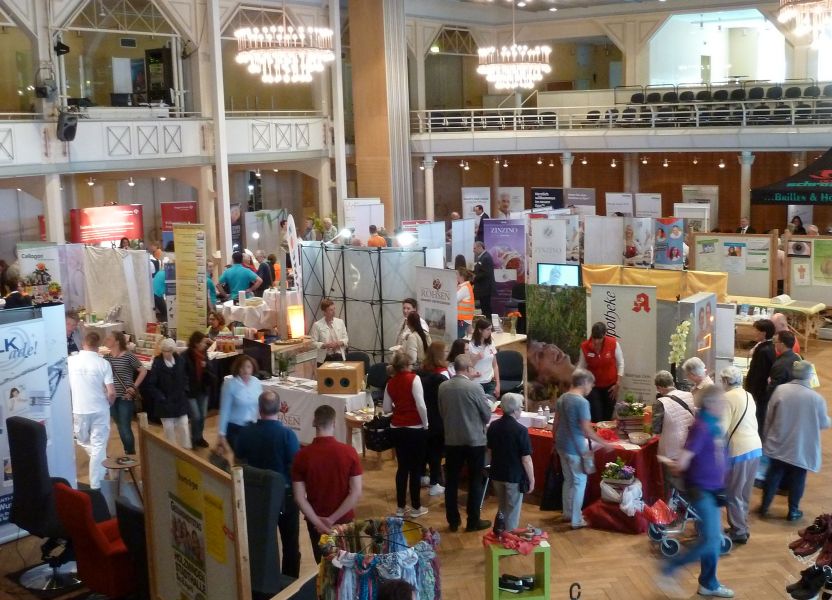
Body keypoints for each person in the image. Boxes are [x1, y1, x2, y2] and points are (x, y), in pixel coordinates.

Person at [659, 385, 733, 599]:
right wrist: (671, 463)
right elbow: (683, 461)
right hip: (701, 490)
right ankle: (670, 569)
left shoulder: (713, 424)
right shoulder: (701, 427)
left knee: (712, 537)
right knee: (711, 540)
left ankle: (709, 583)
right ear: (710, 404)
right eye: (721, 402)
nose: (724, 405)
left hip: (713, 490)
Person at [234, 390, 302, 578]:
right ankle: (290, 582)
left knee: (262, 542)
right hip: (285, 496)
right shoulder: (288, 436)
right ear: (280, 408)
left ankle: (263, 581)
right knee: (290, 544)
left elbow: (238, 462)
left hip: (258, 496)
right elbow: (296, 469)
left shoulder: (246, 433)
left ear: (259, 408)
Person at [292, 405, 363, 563]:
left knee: (324, 568)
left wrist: (319, 523)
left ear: (313, 422)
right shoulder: (349, 452)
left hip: (315, 521)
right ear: (334, 423)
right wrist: (331, 520)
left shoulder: (302, 456)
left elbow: (299, 497)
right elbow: (356, 492)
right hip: (344, 520)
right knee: (349, 566)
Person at [760, 361, 830, 521]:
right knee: (798, 478)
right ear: (809, 376)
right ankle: (793, 511)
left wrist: (766, 437)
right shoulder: (816, 398)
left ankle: (764, 506)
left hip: (779, 442)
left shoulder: (780, 390)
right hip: (801, 446)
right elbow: (823, 423)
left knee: (773, 474)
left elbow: (769, 416)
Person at [438, 354, 493, 532]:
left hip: (452, 440)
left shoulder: (443, 387)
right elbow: (486, 414)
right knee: (475, 481)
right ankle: (473, 521)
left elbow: (441, 412)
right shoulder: (474, 388)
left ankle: (453, 520)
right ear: (468, 369)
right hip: (474, 440)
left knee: (452, 482)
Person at [553, 369, 612, 529]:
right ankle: (576, 519)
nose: (591, 388)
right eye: (591, 385)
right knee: (579, 482)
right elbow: (586, 429)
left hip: (561, 444)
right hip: (576, 448)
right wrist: (605, 443)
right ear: (585, 382)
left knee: (569, 480)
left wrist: (554, 441)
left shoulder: (563, 398)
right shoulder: (582, 402)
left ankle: (567, 512)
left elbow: (556, 423)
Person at [383, 351, 430, 518]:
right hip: (415, 428)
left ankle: (400, 507)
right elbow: (421, 405)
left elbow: (387, 408)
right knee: (416, 469)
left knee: (402, 468)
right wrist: (425, 424)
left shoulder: (390, 383)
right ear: (407, 365)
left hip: (397, 428)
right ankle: (416, 507)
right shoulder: (414, 379)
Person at [719, 366, 761, 544]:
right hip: (755, 447)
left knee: (733, 492)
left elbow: (720, 429)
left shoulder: (726, 398)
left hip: (739, 450)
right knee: (744, 492)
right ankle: (741, 525)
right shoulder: (748, 395)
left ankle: (739, 531)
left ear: (726, 381)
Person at [68, 332, 115, 489]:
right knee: (98, 445)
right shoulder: (103, 364)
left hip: (79, 408)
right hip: (100, 408)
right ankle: (96, 484)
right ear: (98, 346)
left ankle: (97, 482)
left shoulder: (71, 361)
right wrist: (110, 403)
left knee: (82, 439)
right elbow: (111, 392)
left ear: (83, 344)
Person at [487, 393, 534, 531]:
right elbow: (526, 459)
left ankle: (499, 533)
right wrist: (532, 479)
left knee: (502, 507)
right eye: (521, 407)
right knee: (513, 510)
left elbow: (490, 451)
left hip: (496, 473)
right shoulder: (521, 430)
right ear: (514, 410)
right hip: (514, 476)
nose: (521, 409)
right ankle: (509, 538)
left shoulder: (493, 426)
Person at [652, 370, 695, 495]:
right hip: (689, 445)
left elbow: (656, 429)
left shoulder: (660, 403)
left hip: (671, 450)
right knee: (686, 481)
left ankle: (670, 509)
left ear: (659, 388)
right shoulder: (689, 395)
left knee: (669, 484)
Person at [105, 331, 147, 455]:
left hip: (125, 396)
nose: (106, 340)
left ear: (117, 341)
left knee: (125, 427)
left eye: (109, 338)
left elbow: (143, 371)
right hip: (111, 397)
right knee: (120, 426)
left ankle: (130, 453)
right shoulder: (106, 358)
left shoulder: (128, 356)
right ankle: (128, 451)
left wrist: (134, 387)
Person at [146, 338, 191, 448]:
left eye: (170, 351)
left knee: (184, 426)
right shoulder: (157, 363)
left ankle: (186, 452)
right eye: (165, 351)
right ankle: (172, 451)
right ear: (162, 351)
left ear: (173, 350)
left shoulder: (180, 361)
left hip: (180, 400)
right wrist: (161, 397)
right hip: (165, 403)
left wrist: (185, 389)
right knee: (169, 430)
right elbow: (151, 384)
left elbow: (185, 377)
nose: (167, 353)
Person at [577, 322, 624, 422]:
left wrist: (618, 383)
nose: (596, 341)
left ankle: (605, 437)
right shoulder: (585, 347)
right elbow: (581, 366)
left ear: (604, 335)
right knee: (596, 416)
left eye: (599, 338)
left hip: (611, 387)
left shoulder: (613, 344)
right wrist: (576, 382)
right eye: (594, 338)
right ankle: (595, 436)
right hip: (593, 387)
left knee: (607, 417)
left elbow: (621, 364)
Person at [419, 341, 449, 494]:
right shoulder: (442, 374)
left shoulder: (421, 371)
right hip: (437, 417)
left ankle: (422, 476)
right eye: (445, 351)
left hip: (423, 416)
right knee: (436, 451)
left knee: (425, 449)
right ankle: (434, 483)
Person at [217, 355, 262, 451]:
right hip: (235, 428)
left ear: (253, 368)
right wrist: (221, 433)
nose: (245, 370)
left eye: (248, 367)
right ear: (238, 368)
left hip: (252, 427)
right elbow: (224, 410)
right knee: (239, 458)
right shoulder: (230, 384)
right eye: (242, 367)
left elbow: (259, 406)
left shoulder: (256, 382)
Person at [762, 330, 800, 436]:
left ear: (782, 344)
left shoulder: (780, 364)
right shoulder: (797, 357)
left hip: (782, 406)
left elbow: (773, 389)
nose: (774, 344)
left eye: (776, 342)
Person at [184, 331, 213, 448]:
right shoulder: (185, 356)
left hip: (202, 389)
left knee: (203, 415)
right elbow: (183, 374)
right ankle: (194, 438)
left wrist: (206, 366)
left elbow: (210, 369)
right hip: (190, 391)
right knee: (195, 416)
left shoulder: (204, 354)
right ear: (196, 343)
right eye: (202, 342)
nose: (205, 345)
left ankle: (199, 437)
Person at [743, 319, 775, 420]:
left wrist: (751, 391)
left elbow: (758, 373)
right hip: (762, 390)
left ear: (763, 333)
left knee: (757, 417)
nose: (754, 333)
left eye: (756, 330)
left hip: (758, 391)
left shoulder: (762, 350)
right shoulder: (769, 346)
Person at [309, 298, 348, 365]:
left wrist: (339, 343)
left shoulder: (340, 322)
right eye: (331, 310)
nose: (334, 312)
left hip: (338, 356)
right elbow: (312, 343)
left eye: (334, 309)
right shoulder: (317, 325)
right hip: (324, 358)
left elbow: (346, 339)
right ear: (324, 312)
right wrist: (324, 345)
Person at [468, 318, 500, 397]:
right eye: (487, 329)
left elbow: (495, 365)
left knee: (490, 405)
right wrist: (476, 358)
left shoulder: (491, 343)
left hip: (490, 383)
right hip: (476, 384)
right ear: (480, 330)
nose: (490, 332)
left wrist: (498, 384)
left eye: (490, 329)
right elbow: (468, 366)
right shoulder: (470, 345)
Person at [472, 241, 495, 318]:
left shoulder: (486, 257)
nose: (473, 250)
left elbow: (486, 273)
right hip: (483, 288)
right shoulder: (482, 257)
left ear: (480, 247)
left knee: (486, 308)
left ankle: (488, 324)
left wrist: (475, 277)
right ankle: (487, 324)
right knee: (484, 308)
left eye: (474, 248)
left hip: (485, 288)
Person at [456, 267, 475, 339]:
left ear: (461, 276)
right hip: (463, 318)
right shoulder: (465, 286)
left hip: (462, 319)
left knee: (458, 339)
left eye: (456, 274)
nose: (455, 276)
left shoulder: (464, 288)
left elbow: (453, 300)